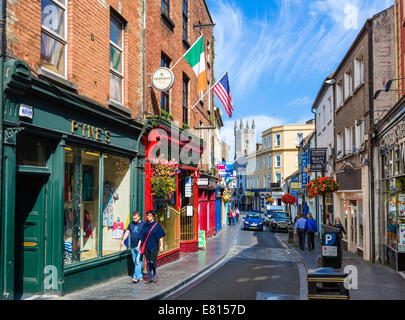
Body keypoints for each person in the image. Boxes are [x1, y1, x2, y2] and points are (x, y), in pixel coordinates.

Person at [139, 210, 166, 284]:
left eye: (149, 216)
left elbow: (161, 236)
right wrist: (139, 245)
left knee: (152, 261)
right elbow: (141, 236)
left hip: (154, 246)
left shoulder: (157, 225)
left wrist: (161, 246)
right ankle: (149, 278)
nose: (148, 217)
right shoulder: (145, 225)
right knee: (147, 262)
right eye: (147, 215)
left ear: (153, 217)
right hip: (146, 246)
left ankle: (154, 274)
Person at [121, 211, 144, 283]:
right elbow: (127, 232)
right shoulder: (131, 224)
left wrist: (139, 245)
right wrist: (123, 240)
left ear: (139, 217)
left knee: (137, 261)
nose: (134, 219)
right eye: (133, 218)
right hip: (133, 246)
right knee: (136, 262)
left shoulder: (143, 224)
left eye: (135, 218)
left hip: (139, 246)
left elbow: (143, 236)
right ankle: (140, 275)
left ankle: (135, 277)